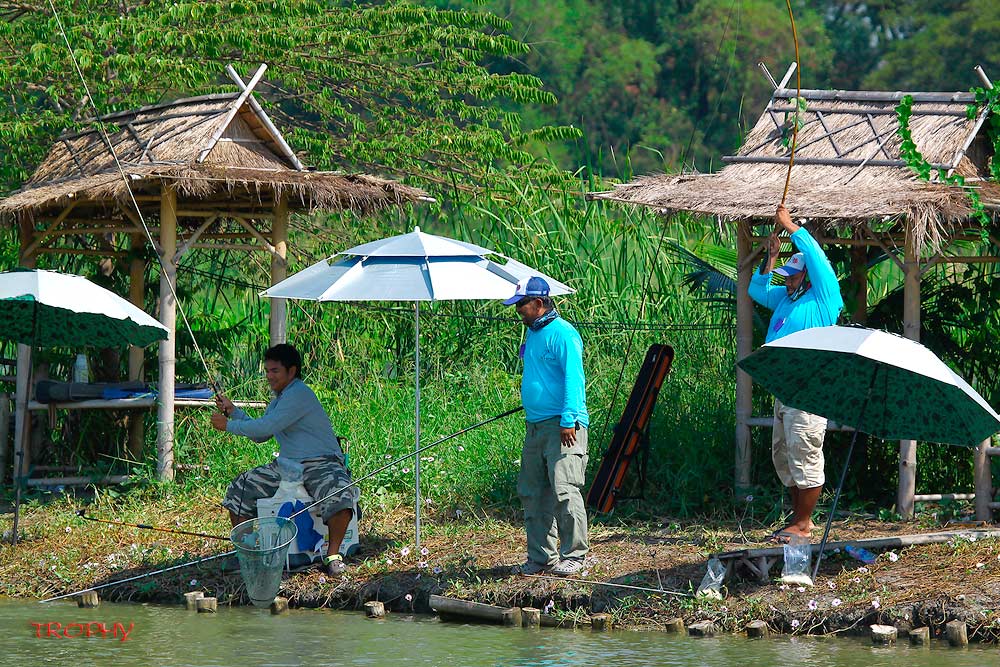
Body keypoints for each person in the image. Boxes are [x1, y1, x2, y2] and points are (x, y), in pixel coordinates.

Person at [211, 343, 354, 575]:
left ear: (292, 371)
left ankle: (333, 555)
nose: (269, 376)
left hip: (322, 462)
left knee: (339, 492)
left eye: (275, 371)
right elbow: (264, 434)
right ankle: (247, 552)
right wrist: (234, 412)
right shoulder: (280, 399)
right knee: (241, 487)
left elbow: (266, 426)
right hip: (289, 465)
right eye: (267, 370)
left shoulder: (299, 393)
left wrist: (229, 425)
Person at [749, 205, 844, 543]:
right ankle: (798, 520)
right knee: (785, 455)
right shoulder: (786, 299)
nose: (787, 279)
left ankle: (803, 524)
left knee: (805, 453)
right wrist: (772, 257)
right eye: (787, 274)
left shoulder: (823, 297)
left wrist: (791, 227)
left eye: (793, 274)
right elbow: (756, 290)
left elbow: (817, 260)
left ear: (807, 278)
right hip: (784, 389)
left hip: (809, 389)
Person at [503, 276, 590, 576]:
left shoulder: (564, 334)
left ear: (539, 303)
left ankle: (575, 556)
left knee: (565, 490)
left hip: (563, 426)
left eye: (521, 305)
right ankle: (540, 557)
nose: (518, 311)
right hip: (535, 426)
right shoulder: (533, 335)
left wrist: (569, 419)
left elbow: (574, 379)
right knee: (532, 491)